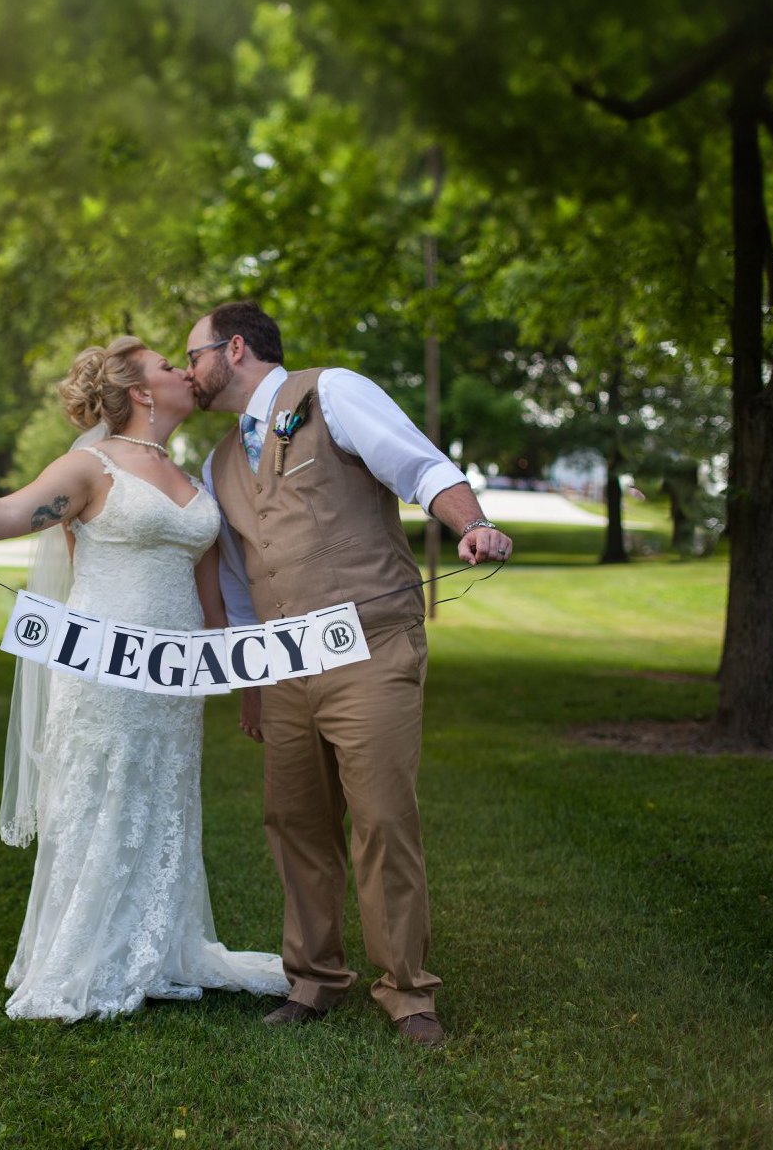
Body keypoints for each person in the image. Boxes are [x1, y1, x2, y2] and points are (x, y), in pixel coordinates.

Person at [0, 335, 286, 1022]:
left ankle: (155, 948)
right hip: (104, 667)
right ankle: (80, 957)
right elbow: (13, 510)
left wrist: (246, 680)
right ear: (141, 392)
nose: (184, 371)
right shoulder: (90, 467)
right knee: (102, 799)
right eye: (168, 366)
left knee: (163, 799)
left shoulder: (193, 479)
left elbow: (211, 593)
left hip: (174, 677)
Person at [185, 300, 513, 1048]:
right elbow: (238, 579)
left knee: (382, 818)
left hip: (371, 646)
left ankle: (407, 991)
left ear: (234, 350)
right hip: (283, 665)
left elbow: (420, 465)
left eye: (194, 355)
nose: (188, 371)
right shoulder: (218, 463)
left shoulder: (332, 391)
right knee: (295, 821)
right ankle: (314, 979)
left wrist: (473, 525)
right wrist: (252, 683)